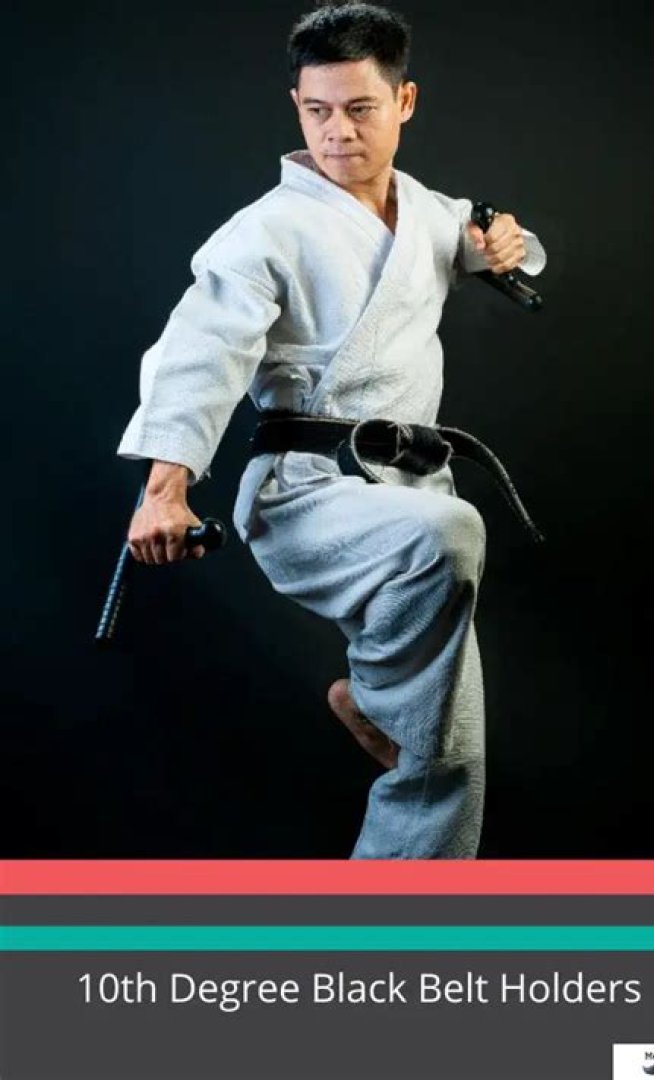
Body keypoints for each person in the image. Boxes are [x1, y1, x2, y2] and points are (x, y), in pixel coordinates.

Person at [118, 1, 547, 858]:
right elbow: (202, 350)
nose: (337, 132)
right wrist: (164, 488)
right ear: (296, 106)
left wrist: (501, 242)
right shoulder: (265, 232)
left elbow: (483, 239)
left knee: (451, 754)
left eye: (359, 109)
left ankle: (398, 910)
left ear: (405, 102)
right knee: (452, 534)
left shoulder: (425, 211)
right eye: (316, 110)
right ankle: (381, 701)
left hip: (410, 487)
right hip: (307, 491)